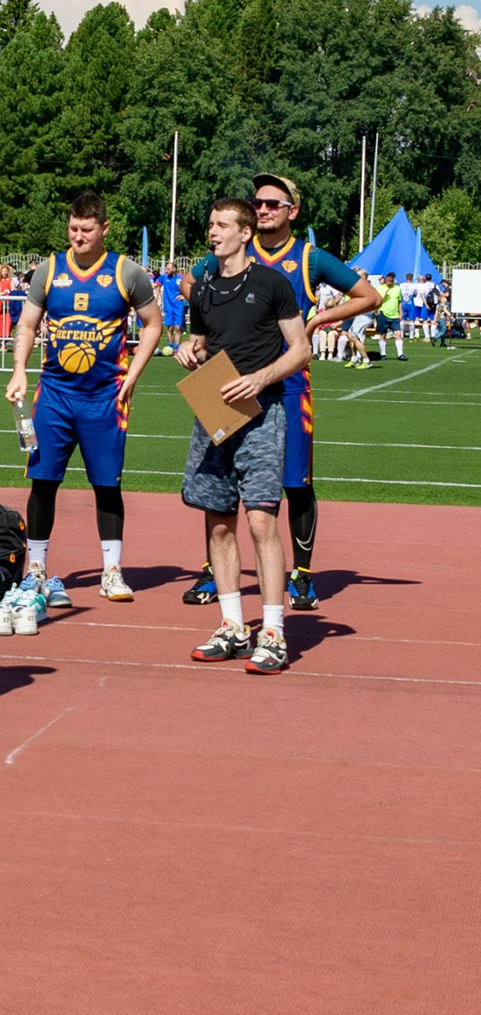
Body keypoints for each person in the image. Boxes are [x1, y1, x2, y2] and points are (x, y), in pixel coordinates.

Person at [182, 174, 377, 612]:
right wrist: (211, 324)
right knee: (218, 484)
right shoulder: (229, 250)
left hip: (286, 386)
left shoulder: (309, 257)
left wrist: (316, 320)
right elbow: (187, 284)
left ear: (293, 210)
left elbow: (369, 296)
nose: (265, 208)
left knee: (294, 480)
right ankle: (214, 570)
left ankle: (302, 574)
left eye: (274, 203)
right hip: (228, 383)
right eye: (259, 202)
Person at [3, 193, 163, 604]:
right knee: (43, 482)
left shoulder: (127, 272)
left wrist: (134, 374)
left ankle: (111, 570)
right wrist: (19, 369)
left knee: (106, 485)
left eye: (87, 230)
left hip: (105, 397)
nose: (78, 236)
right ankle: (36, 568)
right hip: (54, 395)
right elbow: (27, 325)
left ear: (104, 229)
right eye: (73, 228)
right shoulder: (48, 270)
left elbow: (152, 324)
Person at [177, 197, 311, 675]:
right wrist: (188, 351)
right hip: (214, 413)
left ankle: (273, 633)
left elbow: (301, 349)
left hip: (262, 413)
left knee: (260, 522)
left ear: (245, 233)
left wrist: (260, 378)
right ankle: (233, 626)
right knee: (217, 523)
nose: (213, 232)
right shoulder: (203, 288)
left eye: (222, 225)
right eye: (211, 224)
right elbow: (202, 344)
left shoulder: (272, 283)